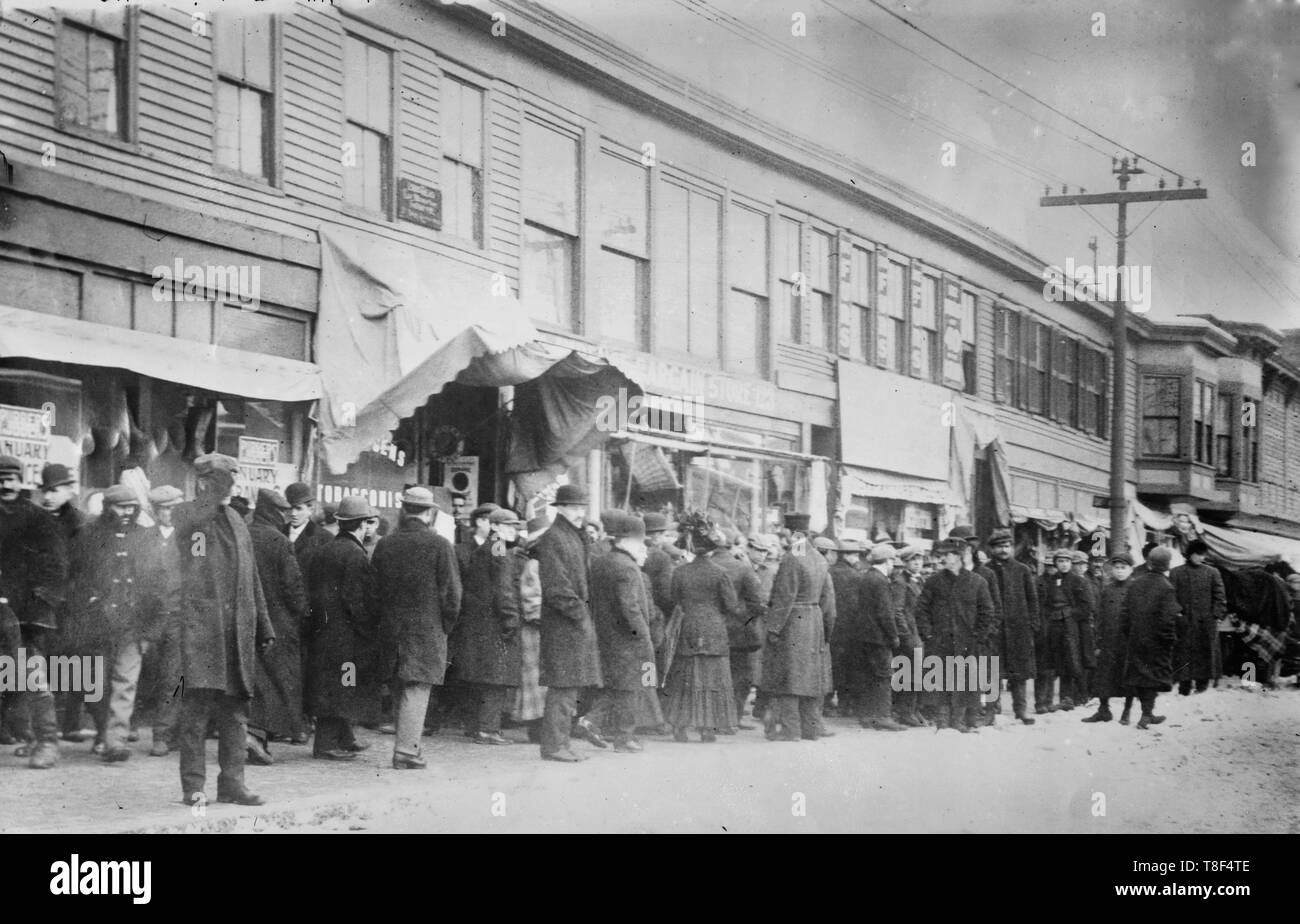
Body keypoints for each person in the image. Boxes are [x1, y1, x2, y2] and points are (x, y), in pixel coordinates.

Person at [173, 454, 274, 806]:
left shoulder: (237, 520)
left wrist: (263, 624)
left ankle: (232, 783)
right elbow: (194, 533)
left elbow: (252, 578)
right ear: (206, 483)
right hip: (201, 634)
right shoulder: (188, 515)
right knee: (196, 714)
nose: (233, 486)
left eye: (234, 479)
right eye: (226, 480)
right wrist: (212, 492)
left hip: (235, 635)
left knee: (235, 714)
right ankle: (194, 787)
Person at [67, 484, 163, 762]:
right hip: (95, 624)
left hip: (133, 624)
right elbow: (75, 581)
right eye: (120, 507)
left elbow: (157, 583)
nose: (126, 513)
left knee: (125, 682)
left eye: (131, 507)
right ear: (107, 507)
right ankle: (102, 732)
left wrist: (150, 629)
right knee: (96, 683)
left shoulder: (146, 538)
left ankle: (116, 741)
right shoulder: (88, 536)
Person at [372, 487, 462, 768]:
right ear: (429, 512)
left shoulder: (386, 544)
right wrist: (446, 625)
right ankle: (407, 751)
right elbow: (452, 595)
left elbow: (373, 590)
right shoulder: (439, 545)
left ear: (403, 510)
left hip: (390, 627)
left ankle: (408, 745)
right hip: (426, 628)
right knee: (418, 686)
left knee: (400, 685)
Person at [0, 455, 69, 768]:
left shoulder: (38, 518)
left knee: (31, 677)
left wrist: (41, 604)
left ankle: (46, 741)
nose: (6, 484)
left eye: (12, 478)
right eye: (1, 478)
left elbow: (56, 567)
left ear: (21, 481)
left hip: (25, 613)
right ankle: (28, 737)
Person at [304, 495, 379, 762]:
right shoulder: (356, 555)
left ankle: (345, 737)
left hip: (321, 630)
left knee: (330, 683)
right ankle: (325, 745)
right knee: (341, 685)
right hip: (345, 635)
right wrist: (367, 628)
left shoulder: (323, 550)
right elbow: (355, 599)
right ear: (361, 525)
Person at [533, 484, 602, 762]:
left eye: (582, 508)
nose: (579, 513)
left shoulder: (573, 536)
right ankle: (554, 746)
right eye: (573, 507)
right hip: (564, 625)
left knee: (569, 687)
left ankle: (560, 743)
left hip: (572, 623)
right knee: (562, 687)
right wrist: (580, 614)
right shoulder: (554, 538)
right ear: (559, 508)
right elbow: (556, 587)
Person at [664, 513, 740, 742]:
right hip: (713, 628)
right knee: (712, 678)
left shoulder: (679, 572)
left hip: (687, 626)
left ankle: (680, 726)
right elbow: (731, 605)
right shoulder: (720, 573)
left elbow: (673, 599)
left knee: (685, 675)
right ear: (711, 549)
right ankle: (708, 728)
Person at [245, 488, 309, 764]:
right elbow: (293, 587)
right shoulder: (279, 541)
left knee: (253, 679)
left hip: (246, 620)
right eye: (283, 511)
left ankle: (250, 733)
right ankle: (257, 736)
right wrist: (301, 612)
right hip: (278, 623)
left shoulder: (242, 534)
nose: (287, 516)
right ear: (273, 512)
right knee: (279, 681)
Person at [450, 507, 523, 746]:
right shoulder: (500, 548)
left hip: (479, 623)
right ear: (494, 526)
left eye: (515, 526)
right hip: (497, 623)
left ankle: (475, 727)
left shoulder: (483, 549)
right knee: (497, 678)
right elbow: (504, 589)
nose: (514, 530)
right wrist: (511, 618)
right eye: (508, 525)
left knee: (481, 678)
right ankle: (489, 730)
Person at [586, 513, 657, 752]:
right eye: (640, 542)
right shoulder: (627, 567)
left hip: (606, 634)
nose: (642, 547)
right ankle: (624, 738)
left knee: (618, 686)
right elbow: (631, 608)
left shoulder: (602, 562)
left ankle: (592, 721)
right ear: (625, 541)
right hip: (629, 639)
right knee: (631, 687)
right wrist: (643, 635)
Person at [761, 513, 835, 742]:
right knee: (811, 678)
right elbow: (829, 601)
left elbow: (784, 597)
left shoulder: (792, 557)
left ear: (791, 532)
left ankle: (791, 730)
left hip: (794, 621)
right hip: (814, 621)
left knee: (789, 676)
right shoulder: (820, 558)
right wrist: (825, 630)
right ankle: (811, 729)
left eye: (784, 531)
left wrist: (773, 628)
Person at [914, 538, 993, 733]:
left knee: (965, 683)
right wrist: (928, 634)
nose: (942, 559)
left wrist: (978, 636)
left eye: (947, 555)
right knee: (940, 682)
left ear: (959, 557)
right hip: (940, 642)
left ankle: (958, 722)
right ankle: (942, 722)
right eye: (941, 555)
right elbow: (921, 610)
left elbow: (987, 612)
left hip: (967, 643)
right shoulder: (934, 581)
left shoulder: (977, 582)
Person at [40, 463, 92, 745]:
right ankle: (44, 728)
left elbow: (86, 566)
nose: (48, 496)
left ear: (69, 490)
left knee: (74, 662)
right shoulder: (37, 520)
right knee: (43, 662)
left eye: (54, 490)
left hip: (73, 602)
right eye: (45, 490)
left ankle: (72, 723)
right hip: (43, 600)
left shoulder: (80, 524)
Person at [706, 524, 765, 731]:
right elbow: (757, 602)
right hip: (740, 632)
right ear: (732, 545)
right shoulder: (742, 568)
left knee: (713, 676)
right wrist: (749, 617)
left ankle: (711, 719)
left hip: (709, 630)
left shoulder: (705, 564)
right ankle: (733, 718)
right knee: (741, 677)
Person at [1117, 546, 1181, 729]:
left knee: (1139, 675)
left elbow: (1124, 613)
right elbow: (1168, 619)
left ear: (1150, 563)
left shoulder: (1135, 582)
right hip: (1157, 641)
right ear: (1167, 565)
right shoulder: (1167, 587)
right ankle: (1146, 715)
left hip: (1136, 639)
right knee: (1153, 677)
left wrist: (1130, 634)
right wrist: (1170, 639)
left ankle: (1145, 713)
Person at [142, 485, 184, 756]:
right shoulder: (144, 538)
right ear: (155, 512)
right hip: (148, 618)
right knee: (143, 675)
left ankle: (163, 733)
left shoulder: (192, 540)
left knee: (173, 677)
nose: (170, 513)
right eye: (165, 509)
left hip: (179, 617)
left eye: (174, 508)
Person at [984, 529, 1040, 725]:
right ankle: (990, 711)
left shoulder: (1022, 570)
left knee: (1020, 672)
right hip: (995, 630)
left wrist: (1033, 625)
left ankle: (1021, 711)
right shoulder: (985, 570)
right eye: (999, 546)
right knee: (992, 671)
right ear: (992, 549)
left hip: (1019, 629)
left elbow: (1032, 600)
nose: (1004, 549)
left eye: (1007, 546)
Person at [852, 543, 904, 731]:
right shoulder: (881, 581)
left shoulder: (866, 577)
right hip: (879, 636)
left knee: (868, 675)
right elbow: (885, 613)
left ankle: (867, 715)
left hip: (864, 635)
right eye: (892, 561)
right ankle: (883, 716)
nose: (893, 566)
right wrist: (894, 635)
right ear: (887, 561)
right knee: (883, 676)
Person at [1036, 549, 1093, 713]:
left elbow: (1087, 607)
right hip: (1053, 627)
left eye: (1067, 561)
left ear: (1071, 563)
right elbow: (1045, 604)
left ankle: (1074, 697)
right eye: (1060, 561)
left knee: (1073, 661)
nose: (1064, 564)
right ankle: (1062, 699)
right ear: (1056, 564)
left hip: (1072, 628)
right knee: (1057, 662)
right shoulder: (1051, 581)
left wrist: (1068, 613)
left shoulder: (1079, 581)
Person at [507, 515, 548, 741]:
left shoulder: (540, 563)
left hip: (542, 628)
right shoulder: (534, 565)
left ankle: (542, 725)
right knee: (535, 680)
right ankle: (537, 727)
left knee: (539, 680)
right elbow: (532, 602)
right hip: (536, 630)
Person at [1083, 550, 1135, 724]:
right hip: (1109, 641)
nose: (1120, 571)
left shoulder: (1136, 589)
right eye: (1117, 567)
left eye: (1123, 567)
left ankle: (1127, 711)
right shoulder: (1107, 590)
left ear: (1131, 569)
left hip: (1128, 641)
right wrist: (1098, 641)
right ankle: (1103, 710)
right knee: (1103, 677)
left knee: (1128, 677)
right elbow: (1100, 616)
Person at [1170, 539, 1226, 695]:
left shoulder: (1212, 572)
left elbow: (1220, 596)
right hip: (1185, 622)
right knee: (1184, 655)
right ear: (1190, 554)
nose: (1201, 558)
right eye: (1198, 554)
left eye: (1203, 555)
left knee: (1204, 654)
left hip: (1205, 623)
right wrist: (1178, 613)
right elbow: (1170, 596)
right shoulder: (1176, 573)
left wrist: (1216, 616)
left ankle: (1202, 686)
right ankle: (1184, 687)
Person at [890, 545, 926, 726]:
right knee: (910, 674)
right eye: (913, 560)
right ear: (905, 562)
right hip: (910, 635)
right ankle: (905, 712)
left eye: (920, 559)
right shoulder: (900, 582)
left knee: (919, 673)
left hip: (920, 633)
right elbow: (897, 611)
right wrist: (906, 635)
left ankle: (915, 710)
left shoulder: (920, 580)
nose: (918, 563)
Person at [826, 537, 861, 718]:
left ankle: (827, 701)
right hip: (849, 627)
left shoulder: (830, 571)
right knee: (847, 666)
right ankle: (845, 704)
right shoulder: (854, 576)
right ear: (846, 555)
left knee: (832, 664)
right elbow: (856, 605)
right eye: (855, 554)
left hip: (832, 624)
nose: (857, 558)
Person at [1071, 549, 1100, 706]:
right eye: (1077, 564)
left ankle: (1088, 692)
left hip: (1089, 625)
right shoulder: (1070, 581)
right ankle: (1079, 694)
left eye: (1083, 564)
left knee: (1088, 658)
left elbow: (1095, 604)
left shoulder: (1091, 581)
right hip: (1075, 624)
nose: (1081, 567)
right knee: (1076, 659)